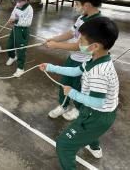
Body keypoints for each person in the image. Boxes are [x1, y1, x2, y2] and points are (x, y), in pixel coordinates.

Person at [40, 17, 119, 170]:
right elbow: (75, 70)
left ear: (95, 46)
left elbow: (97, 102)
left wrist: (73, 93)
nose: (78, 44)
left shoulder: (99, 72)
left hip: (98, 115)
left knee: (63, 145)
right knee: (89, 130)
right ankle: (94, 148)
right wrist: (50, 67)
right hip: (97, 113)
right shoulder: (94, 58)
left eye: (81, 41)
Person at [45, 0, 105, 121]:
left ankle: (78, 108)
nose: (76, 6)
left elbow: (78, 46)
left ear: (87, 5)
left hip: (85, 63)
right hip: (73, 59)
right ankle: (63, 105)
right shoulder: (82, 17)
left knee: (80, 87)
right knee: (65, 83)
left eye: (77, 3)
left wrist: (56, 45)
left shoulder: (96, 24)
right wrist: (54, 39)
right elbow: (71, 33)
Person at [6, 0, 33, 77]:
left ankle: (20, 68)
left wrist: (16, 21)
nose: (18, 3)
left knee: (21, 50)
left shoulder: (29, 9)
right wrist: (11, 18)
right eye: (16, 1)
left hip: (23, 31)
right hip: (15, 29)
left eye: (20, 1)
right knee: (9, 45)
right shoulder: (17, 5)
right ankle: (13, 57)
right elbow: (14, 14)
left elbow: (28, 23)